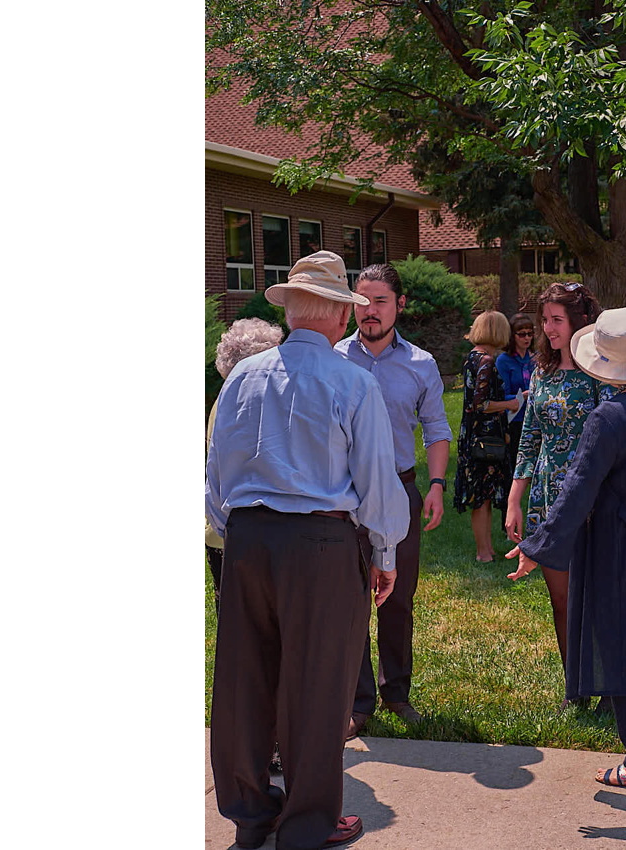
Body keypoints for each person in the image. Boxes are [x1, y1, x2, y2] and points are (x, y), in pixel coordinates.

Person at [206, 250, 410, 850]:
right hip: (320, 542)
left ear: (293, 312)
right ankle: (307, 823)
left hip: (246, 539)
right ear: (341, 318)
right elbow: (377, 480)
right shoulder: (353, 380)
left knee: (245, 677)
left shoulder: (241, 376)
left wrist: (239, 531)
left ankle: (250, 812)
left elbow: (216, 474)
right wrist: (385, 553)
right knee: (319, 685)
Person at [506, 307, 626, 790]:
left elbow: (576, 491)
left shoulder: (607, 418)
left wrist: (538, 545)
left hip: (619, 552)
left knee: (621, 648)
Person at [335, 262, 452, 737]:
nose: (370, 311)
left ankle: (396, 692)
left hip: (401, 489)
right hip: (344, 494)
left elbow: (437, 431)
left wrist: (438, 485)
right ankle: (358, 702)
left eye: (380, 301)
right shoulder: (335, 359)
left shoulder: (421, 364)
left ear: (400, 305)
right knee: (351, 599)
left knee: (397, 597)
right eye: (362, 302)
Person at [503, 282, 616, 702]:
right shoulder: (542, 372)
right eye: (545, 320)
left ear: (579, 322)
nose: (548, 329)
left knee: (599, 599)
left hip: (593, 497)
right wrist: (516, 498)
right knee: (562, 600)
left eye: (556, 320)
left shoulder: (601, 374)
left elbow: (610, 436)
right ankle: (577, 687)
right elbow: (530, 436)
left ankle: (609, 685)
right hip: (547, 498)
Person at [206, 317, 285, 617]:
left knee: (234, 622)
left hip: (223, 530)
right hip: (244, 531)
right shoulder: (249, 403)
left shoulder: (223, 400)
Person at [453, 310, 518, 562]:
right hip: (484, 439)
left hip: (474, 434)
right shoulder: (487, 362)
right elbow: (481, 404)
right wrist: (510, 404)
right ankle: (483, 553)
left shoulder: (472, 357)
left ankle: (488, 548)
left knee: (485, 495)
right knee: (481, 497)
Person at [495, 312, 534, 500]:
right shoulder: (504, 361)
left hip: (534, 418)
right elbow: (502, 395)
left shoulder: (535, 359)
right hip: (514, 420)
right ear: (513, 336)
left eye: (530, 333)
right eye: (522, 334)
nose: (527, 338)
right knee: (514, 469)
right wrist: (524, 396)